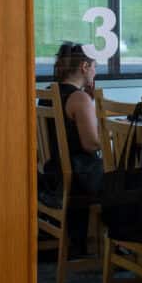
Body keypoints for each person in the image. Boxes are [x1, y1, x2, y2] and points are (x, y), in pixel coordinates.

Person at [39, 42, 104, 258]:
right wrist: (112, 137)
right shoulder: (79, 98)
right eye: (95, 66)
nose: (96, 71)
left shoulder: (49, 93)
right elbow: (90, 144)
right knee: (127, 173)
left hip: (52, 173)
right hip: (78, 179)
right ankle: (120, 244)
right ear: (85, 66)